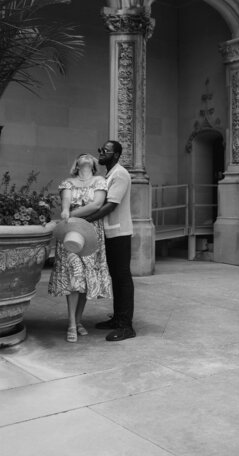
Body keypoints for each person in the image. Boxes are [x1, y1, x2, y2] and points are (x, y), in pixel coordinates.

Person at [48, 153, 112, 342]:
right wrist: (66, 212)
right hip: (72, 232)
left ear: (93, 164)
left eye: (88, 156)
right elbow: (66, 202)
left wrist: (74, 213)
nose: (85, 156)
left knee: (85, 279)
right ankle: (72, 324)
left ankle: (78, 320)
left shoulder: (100, 181)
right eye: (81, 156)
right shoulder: (68, 182)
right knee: (73, 277)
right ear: (76, 164)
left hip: (91, 232)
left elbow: (97, 204)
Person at [87, 140, 136, 342]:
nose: (101, 152)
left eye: (105, 151)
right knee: (116, 277)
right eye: (101, 149)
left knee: (122, 278)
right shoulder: (108, 175)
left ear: (115, 155)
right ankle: (117, 319)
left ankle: (126, 326)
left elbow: (110, 206)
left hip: (120, 233)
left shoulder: (120, 174)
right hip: (110, 233)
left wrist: (85, 219)